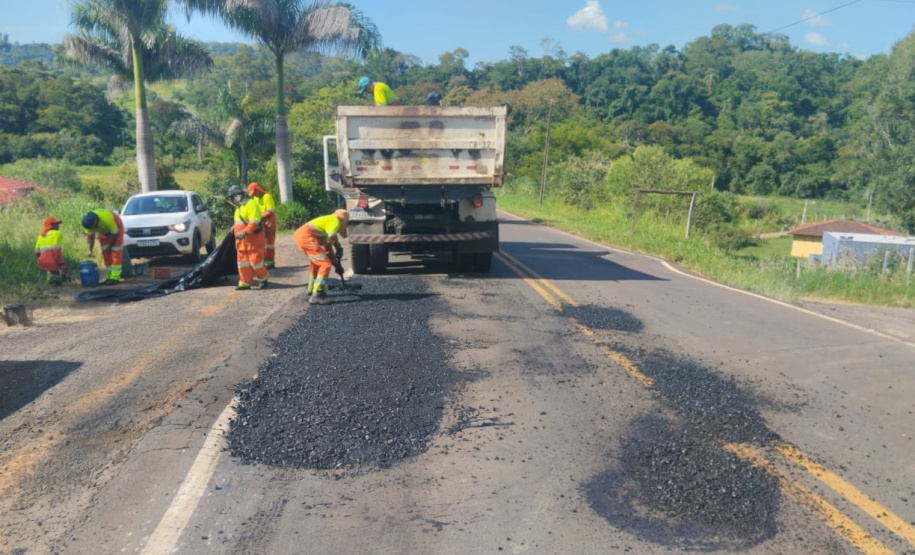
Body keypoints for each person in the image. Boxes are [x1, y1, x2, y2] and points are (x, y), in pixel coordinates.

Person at [293, 209, 349, 305]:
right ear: (343, 220)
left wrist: (336, 264)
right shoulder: (335, 221)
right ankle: (317, 295)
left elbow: (328, 248)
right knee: (325, 264)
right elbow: (333, 238)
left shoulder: (327, 223)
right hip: (307, 237)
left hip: (300, 236)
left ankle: (310, 291)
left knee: (317, 263)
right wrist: (338, 247)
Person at [227, 184, 268, 290]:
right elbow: (239, 221)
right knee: (242, 263)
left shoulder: (251, 204)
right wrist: (233, 228)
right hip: (241, 242)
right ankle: (245, 282)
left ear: (238, 196)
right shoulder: (239, 208)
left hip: (253, 240)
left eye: (232, 197)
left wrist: (245, 231)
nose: (231, 200)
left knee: (255, 261)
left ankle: (263, 278)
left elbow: (254, 221)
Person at [82, 208, 125, 285]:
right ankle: (109, 277)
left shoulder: (107, 219)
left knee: (115, 252)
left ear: (95, 221)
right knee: (105, 253)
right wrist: (89, 250)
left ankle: (115, 277)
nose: (92, 229)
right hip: (103, 231)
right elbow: (90, 238)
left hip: (115, 225)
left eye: (93, 227)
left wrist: (110, 246)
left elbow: (115, 235)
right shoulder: (88, 224)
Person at [247, 182, 277, 268]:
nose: (254, 195)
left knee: (270, 244)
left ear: (257, 190)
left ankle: (270, 262)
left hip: (269, 225)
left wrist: (258, 217)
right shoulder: (255, 199)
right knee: (262, 244)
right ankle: (263, 261)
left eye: (254, 193)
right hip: (261, 225)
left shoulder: (267, 196)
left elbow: (270, 212)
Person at [35, 216, 68, 285]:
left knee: (50, 268)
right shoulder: (57, 233)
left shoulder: (41, 236)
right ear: (51, 225)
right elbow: (56, 251)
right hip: (53, 263)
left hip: (42, 264)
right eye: (56, 224)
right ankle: (62, 277)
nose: (58, 226)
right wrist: (62, 264)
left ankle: (50, 280)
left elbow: (37, 252)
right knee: (64, 268)